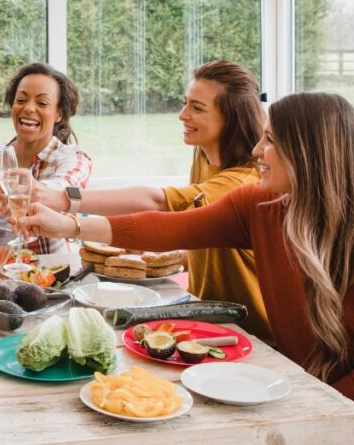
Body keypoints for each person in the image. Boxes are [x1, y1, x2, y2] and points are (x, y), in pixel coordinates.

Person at [21, 91, 354, 445]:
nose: (257, 151)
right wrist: (70, 225)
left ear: (309, 153)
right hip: (307, 394)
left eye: (270, 141)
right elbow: (168, 228)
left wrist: (306, 403)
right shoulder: (260, 207)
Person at [29, 60, 270, 341]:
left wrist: (63, 203)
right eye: (185, 103)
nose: (182, 115)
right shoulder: (206, 155)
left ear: (232, 118)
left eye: (197, 108)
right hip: (208, 316)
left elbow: (158, 203)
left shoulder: (242, 181)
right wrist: (166, 261)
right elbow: (209, 236)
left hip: (251, 331)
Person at [0, 62, 92, 255]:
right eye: (21, 100)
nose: (29, 108)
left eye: (42, 103)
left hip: (55, 270)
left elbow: (63, 187)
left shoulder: (74, 158)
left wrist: (25, 193)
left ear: (59, 113)